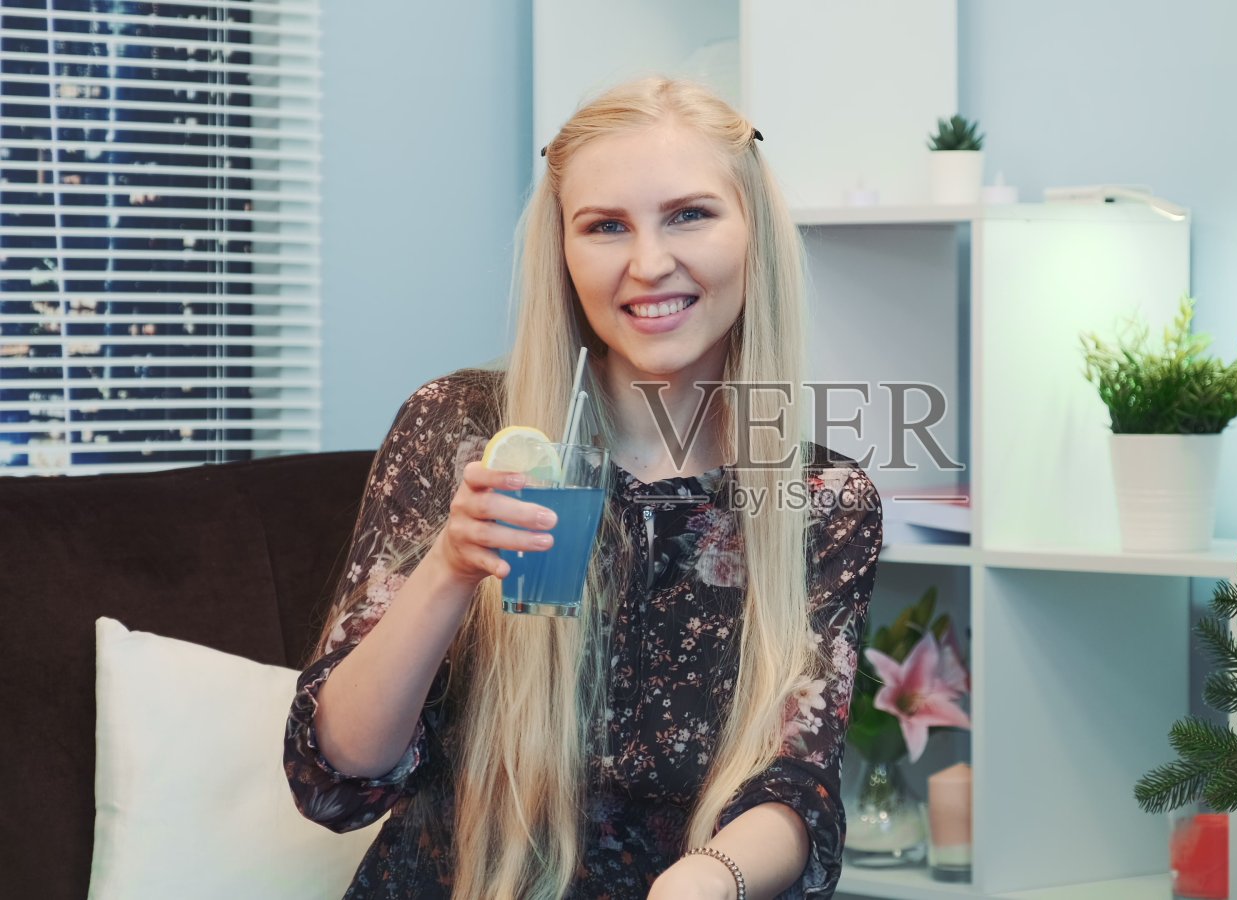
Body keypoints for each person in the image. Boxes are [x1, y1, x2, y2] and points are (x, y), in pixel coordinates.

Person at [282, 76, 884, 900]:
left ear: (754, 235)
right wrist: (451, 571)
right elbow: (340, 776)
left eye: (689, 214)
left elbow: (798, 785)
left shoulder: (823, 499)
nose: (648, 263)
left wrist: (705, 879)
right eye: (605, 226)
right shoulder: (461, 429)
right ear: (563, 252)